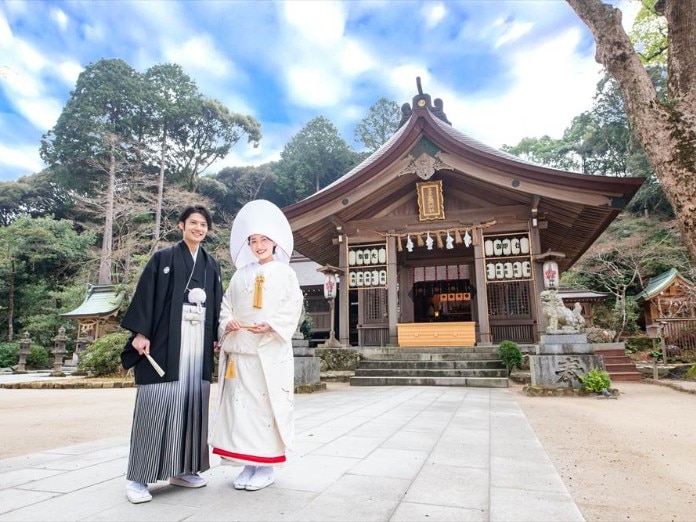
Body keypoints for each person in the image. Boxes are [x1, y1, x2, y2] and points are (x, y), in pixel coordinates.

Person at [120, 205, 223, 504]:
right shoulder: (162, 258)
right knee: (157, 403)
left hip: (198, 342)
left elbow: (216, 305)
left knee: (193, 403)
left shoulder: (211, 264)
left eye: (203, 224)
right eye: (193, 223)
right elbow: (146, 297)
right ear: (181, 225)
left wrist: (216, 336)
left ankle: (184, 469)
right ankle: (139, 478)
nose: (199, 228)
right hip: (166, 342)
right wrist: (141, 333)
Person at [209, 199, 303, 492]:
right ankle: (248, 464)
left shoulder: (286, 273)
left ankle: (267, 465)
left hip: (268, 351)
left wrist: (272, 324)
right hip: (240, 351)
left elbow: (293, 305)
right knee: (241, 410)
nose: (258, 245)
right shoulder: (240, 275)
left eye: (264, 240)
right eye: (253, 240)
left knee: (265, 408)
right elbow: (225, 305)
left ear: (275, 243)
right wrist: (228, 322)